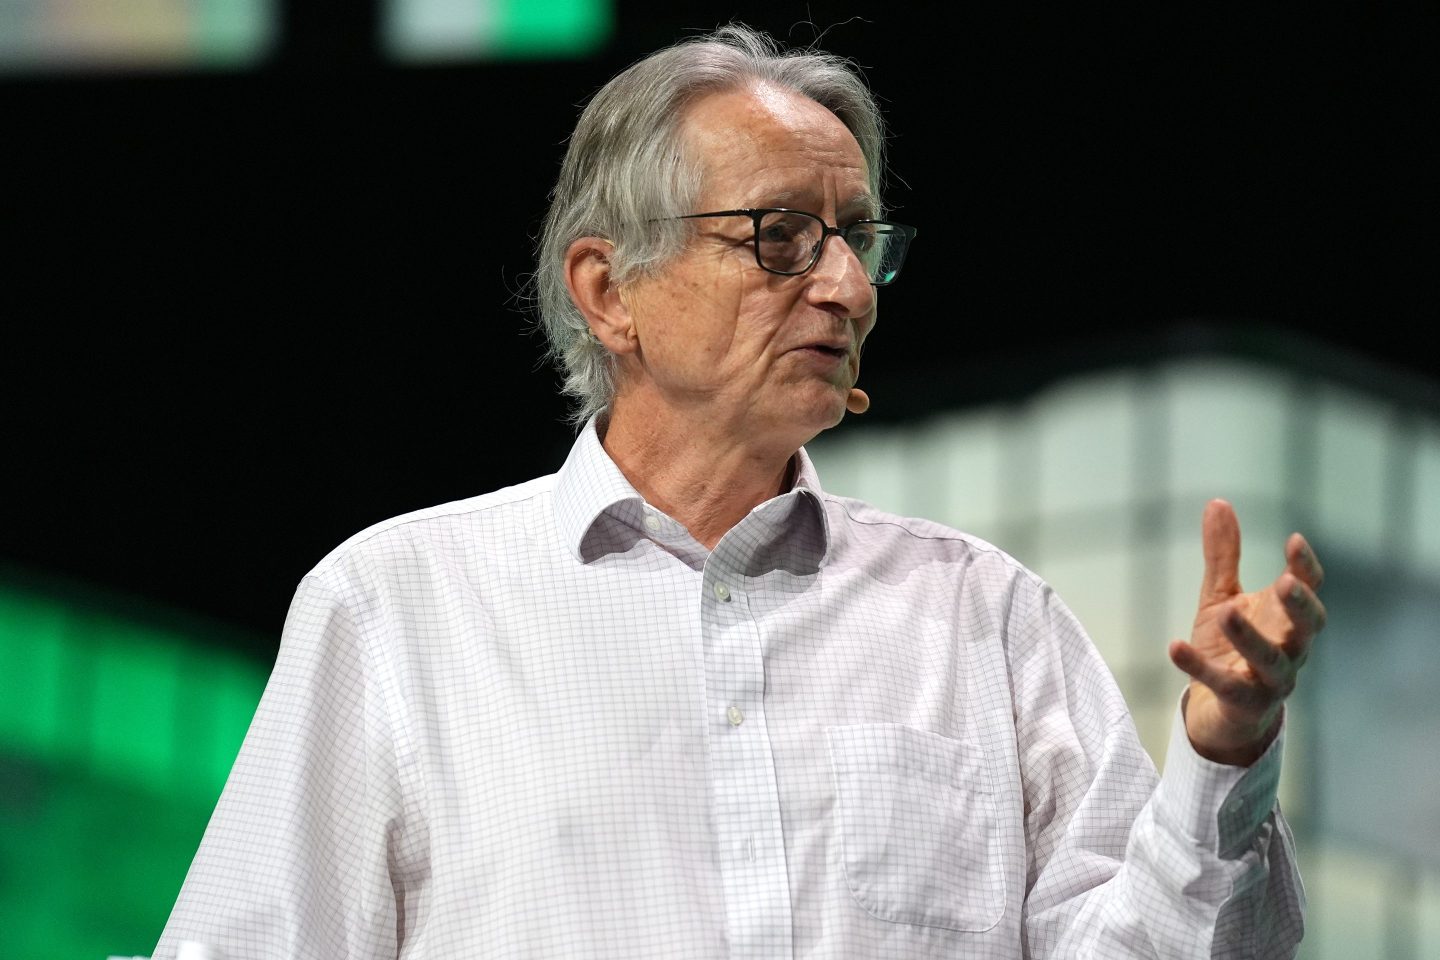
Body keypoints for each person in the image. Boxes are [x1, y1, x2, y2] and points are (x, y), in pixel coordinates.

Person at [154, 24, 1325, 959]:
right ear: (610, 290)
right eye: (780, 237)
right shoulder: (397, 606)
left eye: (860, 239)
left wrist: (1228, 753)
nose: (846, 289)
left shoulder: (989, 619)